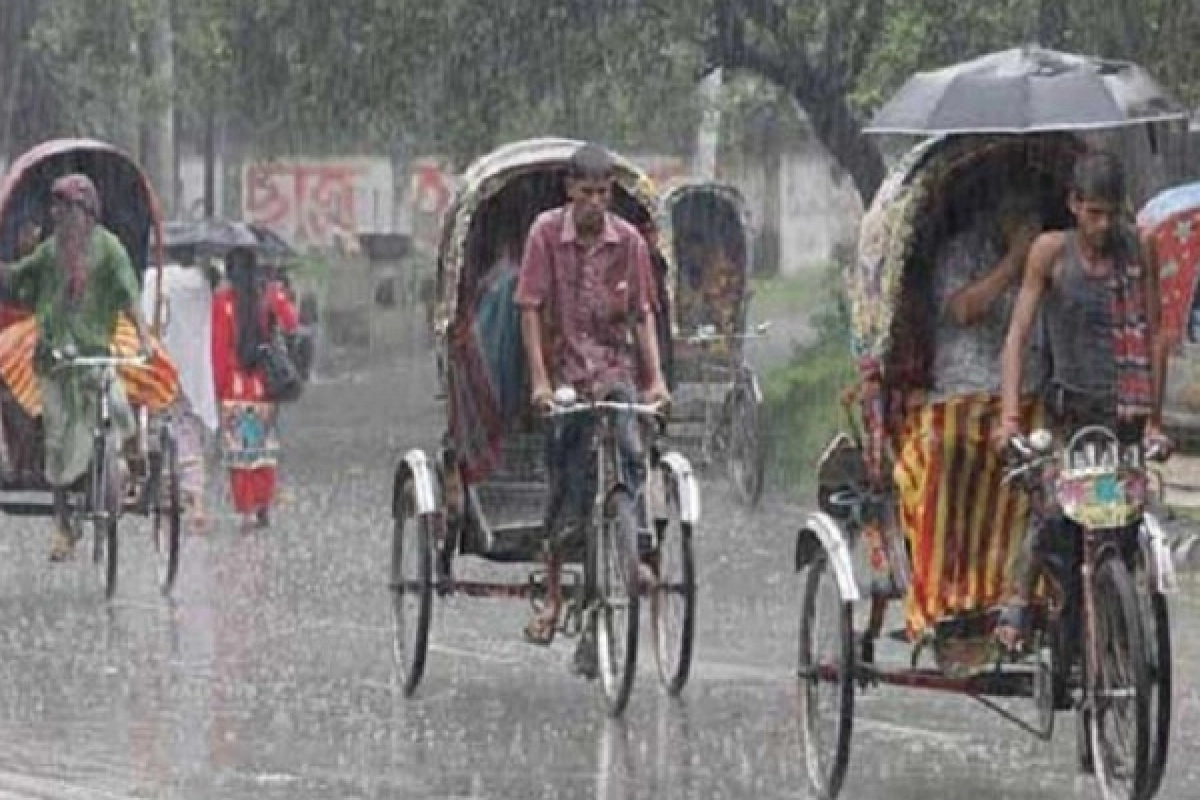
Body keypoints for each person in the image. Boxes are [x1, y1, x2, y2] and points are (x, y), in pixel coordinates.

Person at [995, 151, 1169, 649]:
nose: (1103, 224)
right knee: (1052, 515)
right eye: (1093, 212)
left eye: (1112, 213)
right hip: (1068, 420)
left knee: (1123, 525)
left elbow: (1155, 335)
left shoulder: (1139, 251)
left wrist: (1154, 421)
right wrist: (1010, 417)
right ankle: (1021, 607)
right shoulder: (1050, 253)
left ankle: (1115, 628)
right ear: (1073, 204)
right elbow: (1018, 335)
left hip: (1124, 420)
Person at [514, 143, 670, 675]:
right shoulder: (543, 235)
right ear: (569, 191)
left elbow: (643, 316)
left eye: (604, 194)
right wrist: (539, 381)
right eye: (586, 194)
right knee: (565, 488)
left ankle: (637, 550)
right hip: (563, 378)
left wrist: (655, 380)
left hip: (614, 372)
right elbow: (530, 311)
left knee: (630, 451)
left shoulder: (628, 242)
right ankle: (555, 596)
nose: (595, 204)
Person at [0, 174, 153, 561]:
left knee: (119, 408)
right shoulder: (50, 252)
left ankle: (133, 454)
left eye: (64, 208)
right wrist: (17, 257)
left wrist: (145, 336)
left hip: (95, 357)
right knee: (56, 442)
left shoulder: (110, 249)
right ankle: (63, 528)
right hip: (55, 362)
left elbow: (130, 295)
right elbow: (18, 280)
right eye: (55, 207)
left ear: (84, 212)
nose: (57, 215)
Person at [211, 246, 299, 530]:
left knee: (240, 454)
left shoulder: (223, 302)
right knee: (262, 449)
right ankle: (263, 503)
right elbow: (291, 321)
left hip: (236, 386)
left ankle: (247, 510)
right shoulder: (267, 297)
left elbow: (219, 350)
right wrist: (278, 293)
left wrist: (219, 387)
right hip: (263, 384)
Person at [142, 246, 218, 532]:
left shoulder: (150, 278)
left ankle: (163, 493)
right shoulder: (199, 284)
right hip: (189, 366)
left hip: (156, 364)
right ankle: (196, 501)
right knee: (188, 430)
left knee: (155, 428)